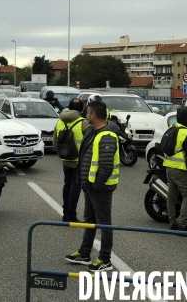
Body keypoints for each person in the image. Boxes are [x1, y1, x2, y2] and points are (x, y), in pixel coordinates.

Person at [65, 100, 119, 272]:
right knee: (90, 220)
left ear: (94, 115)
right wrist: (85, 184)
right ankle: (85, 253)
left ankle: (105, 259)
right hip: (90, 186)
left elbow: (106, 166)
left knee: (104, 223)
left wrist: (95, 186)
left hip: (100, 188)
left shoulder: (107, 135)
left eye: (87, 113)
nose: (85, 115)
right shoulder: (92, 131)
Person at [53, 99, 90, 222]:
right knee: (75, 186)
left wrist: (62, 154)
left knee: (67, 185)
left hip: (65, 159)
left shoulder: (59, 121)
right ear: (81, 109)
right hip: (78, 161)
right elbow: (90, 142)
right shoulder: (83, 122)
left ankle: (65, 214)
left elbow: (55, 142)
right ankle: (71, 216)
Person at [164, 106, 187, 232]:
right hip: (180, 169)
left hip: (169, 167)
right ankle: (183, 225)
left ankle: (172, 223)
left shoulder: (171, 128)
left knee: (171, 196)